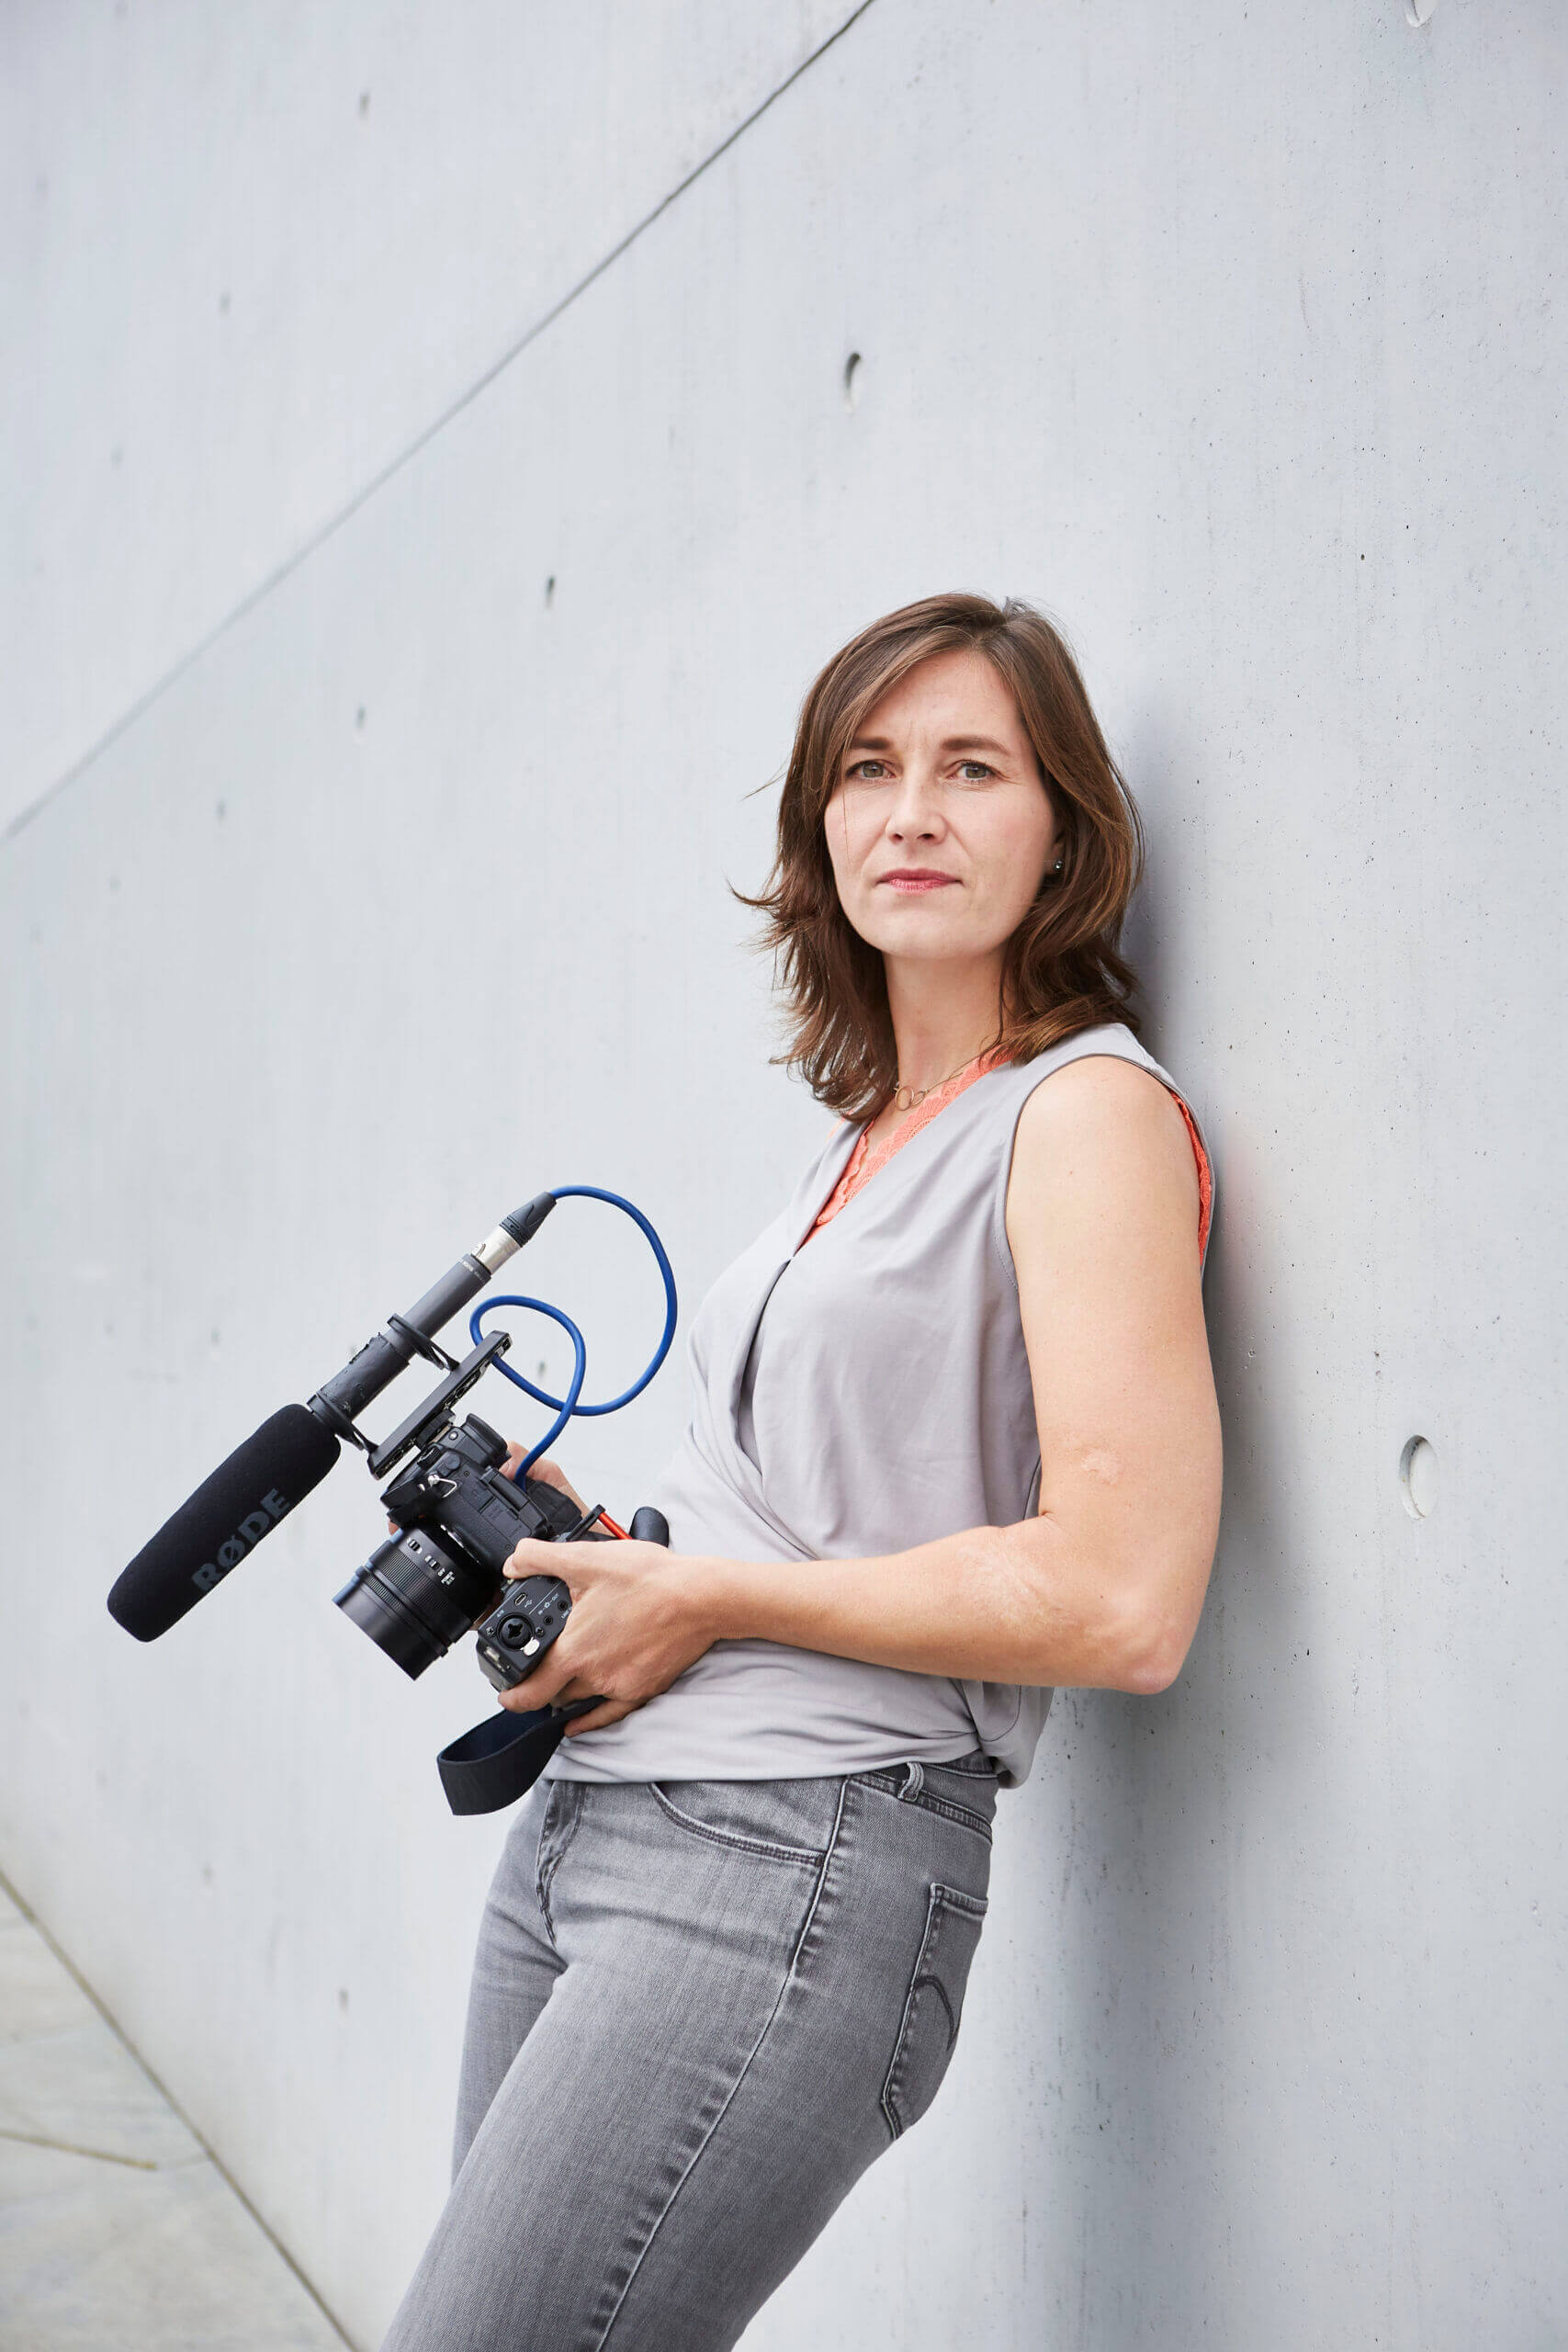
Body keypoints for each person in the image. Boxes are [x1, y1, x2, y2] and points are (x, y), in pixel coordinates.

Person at [381, 593, 1222, 2351]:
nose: (910, 810)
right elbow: (841, 1509)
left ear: (1061, 827)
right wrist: (618, 1552)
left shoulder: (1082, 1117)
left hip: (795, 1867)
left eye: (971, 767)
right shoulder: (867, 1139)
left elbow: (1126, 1600)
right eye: (869, 767)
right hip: (591, 1834)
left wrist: (707, 1596)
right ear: (818, 824)